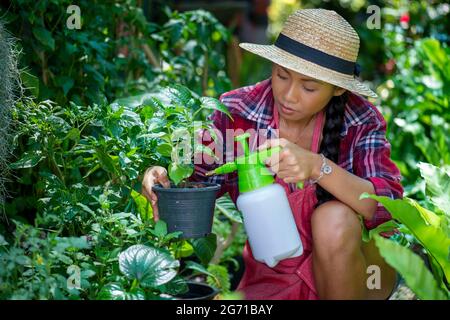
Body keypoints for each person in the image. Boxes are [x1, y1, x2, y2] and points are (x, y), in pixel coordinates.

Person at [141, 9, 403, 300]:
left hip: (359, 274)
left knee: (333, 219)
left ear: (338, 89)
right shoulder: (238, 110)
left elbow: (387, 204)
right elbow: (195, 180)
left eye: (309, 86)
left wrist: (318, 167)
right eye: (282, 75)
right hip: (273, 273)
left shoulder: (360, 119)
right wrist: (162, 178)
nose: (289, 95)